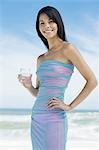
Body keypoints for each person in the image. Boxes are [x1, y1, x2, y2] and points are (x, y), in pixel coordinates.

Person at [18, 6, 98, 150]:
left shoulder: (68, 49)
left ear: (58, 23)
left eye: (50, 21)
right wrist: (29, 86)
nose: (46, 26)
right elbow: (39, 92)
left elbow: (92, 81)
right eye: (41, 23)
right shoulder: (41, 59)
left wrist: (70, 106)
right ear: (38, 28)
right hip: (37, 117)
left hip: (55, 118)